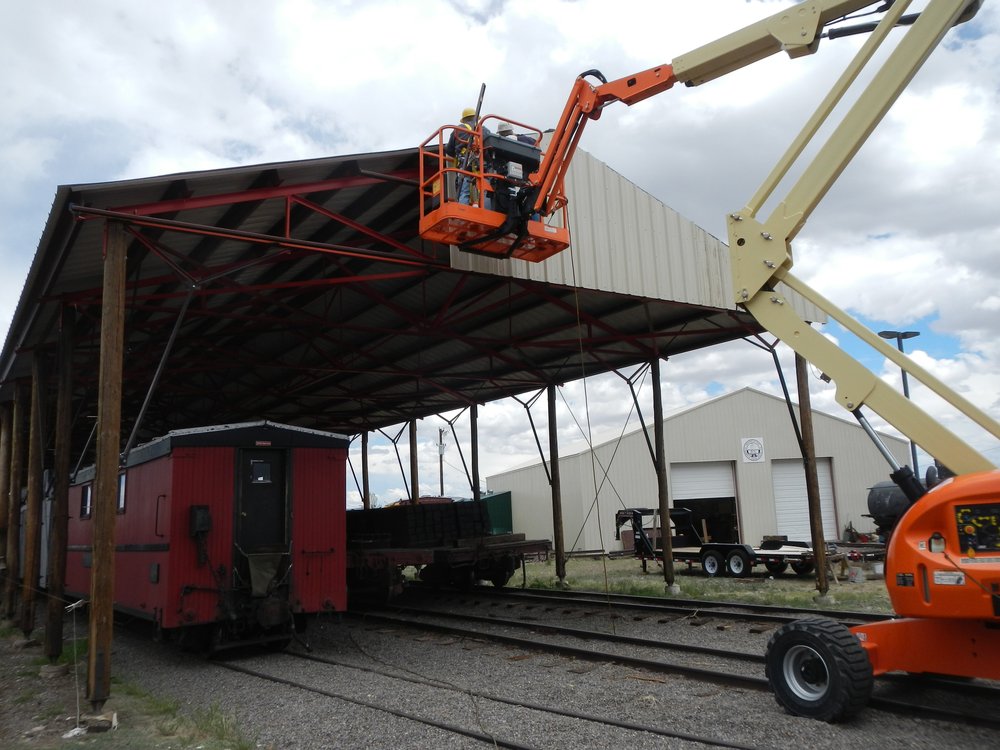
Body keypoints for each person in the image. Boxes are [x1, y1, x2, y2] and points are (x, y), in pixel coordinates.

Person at [445, 107, 483, 205]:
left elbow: (449, 150)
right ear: (475, 118)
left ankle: (463, 207)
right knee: (481, 187)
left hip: (465, 164)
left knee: (464, 189)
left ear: (464, 119)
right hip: (480, 165)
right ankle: (481, 205)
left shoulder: (458, 129)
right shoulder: (483, 129)